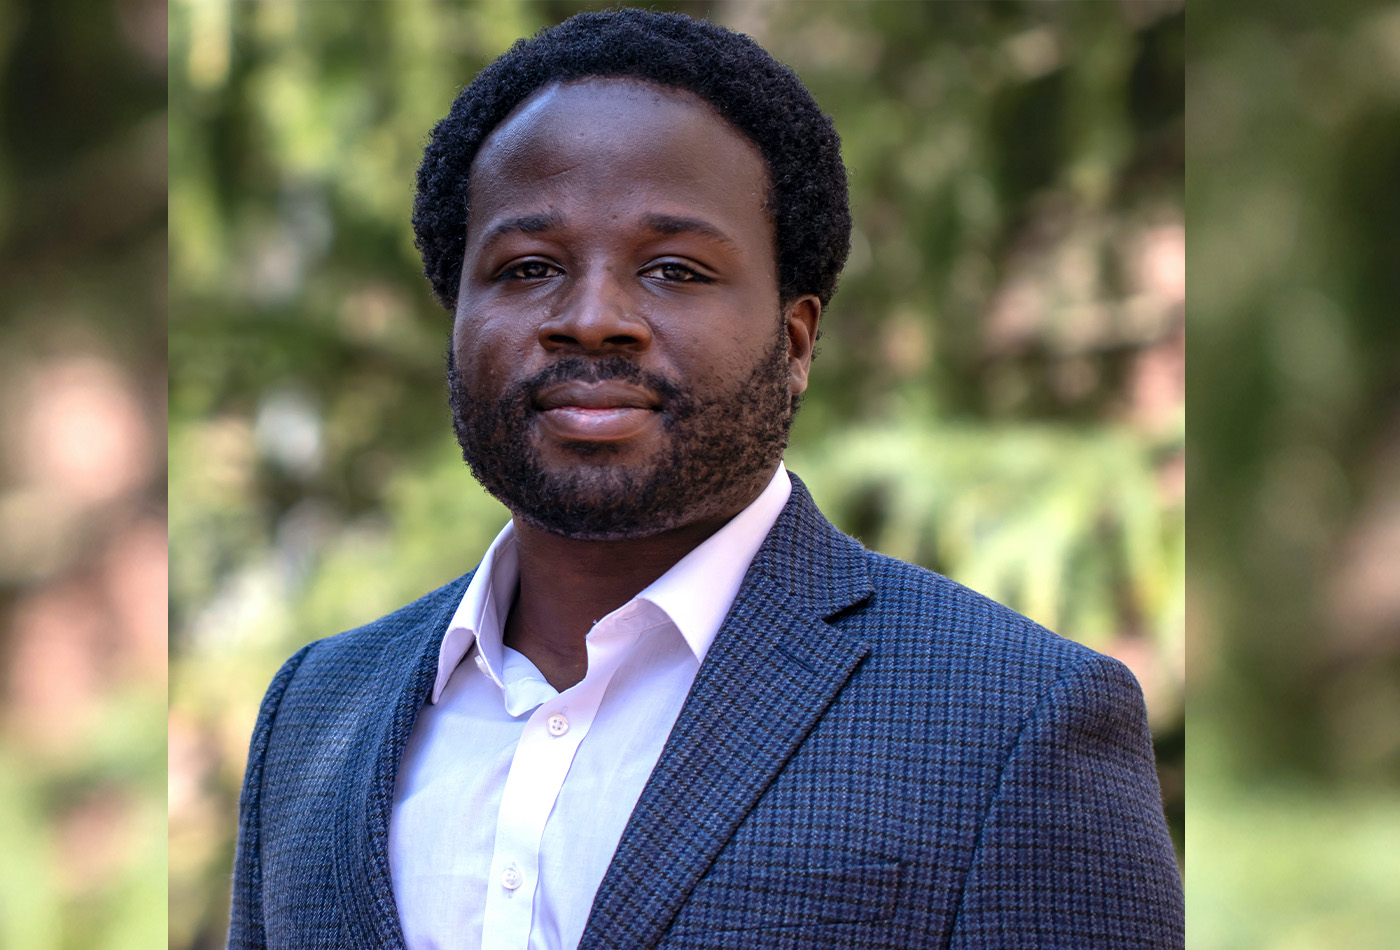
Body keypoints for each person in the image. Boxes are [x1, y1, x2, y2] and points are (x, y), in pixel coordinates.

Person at [228, 9, 1184, 949]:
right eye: (527, 268)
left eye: (675, 269)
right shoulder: (315, 712)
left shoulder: (1015, 721)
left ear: (797, 339)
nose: (593, 318)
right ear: (459, 318)